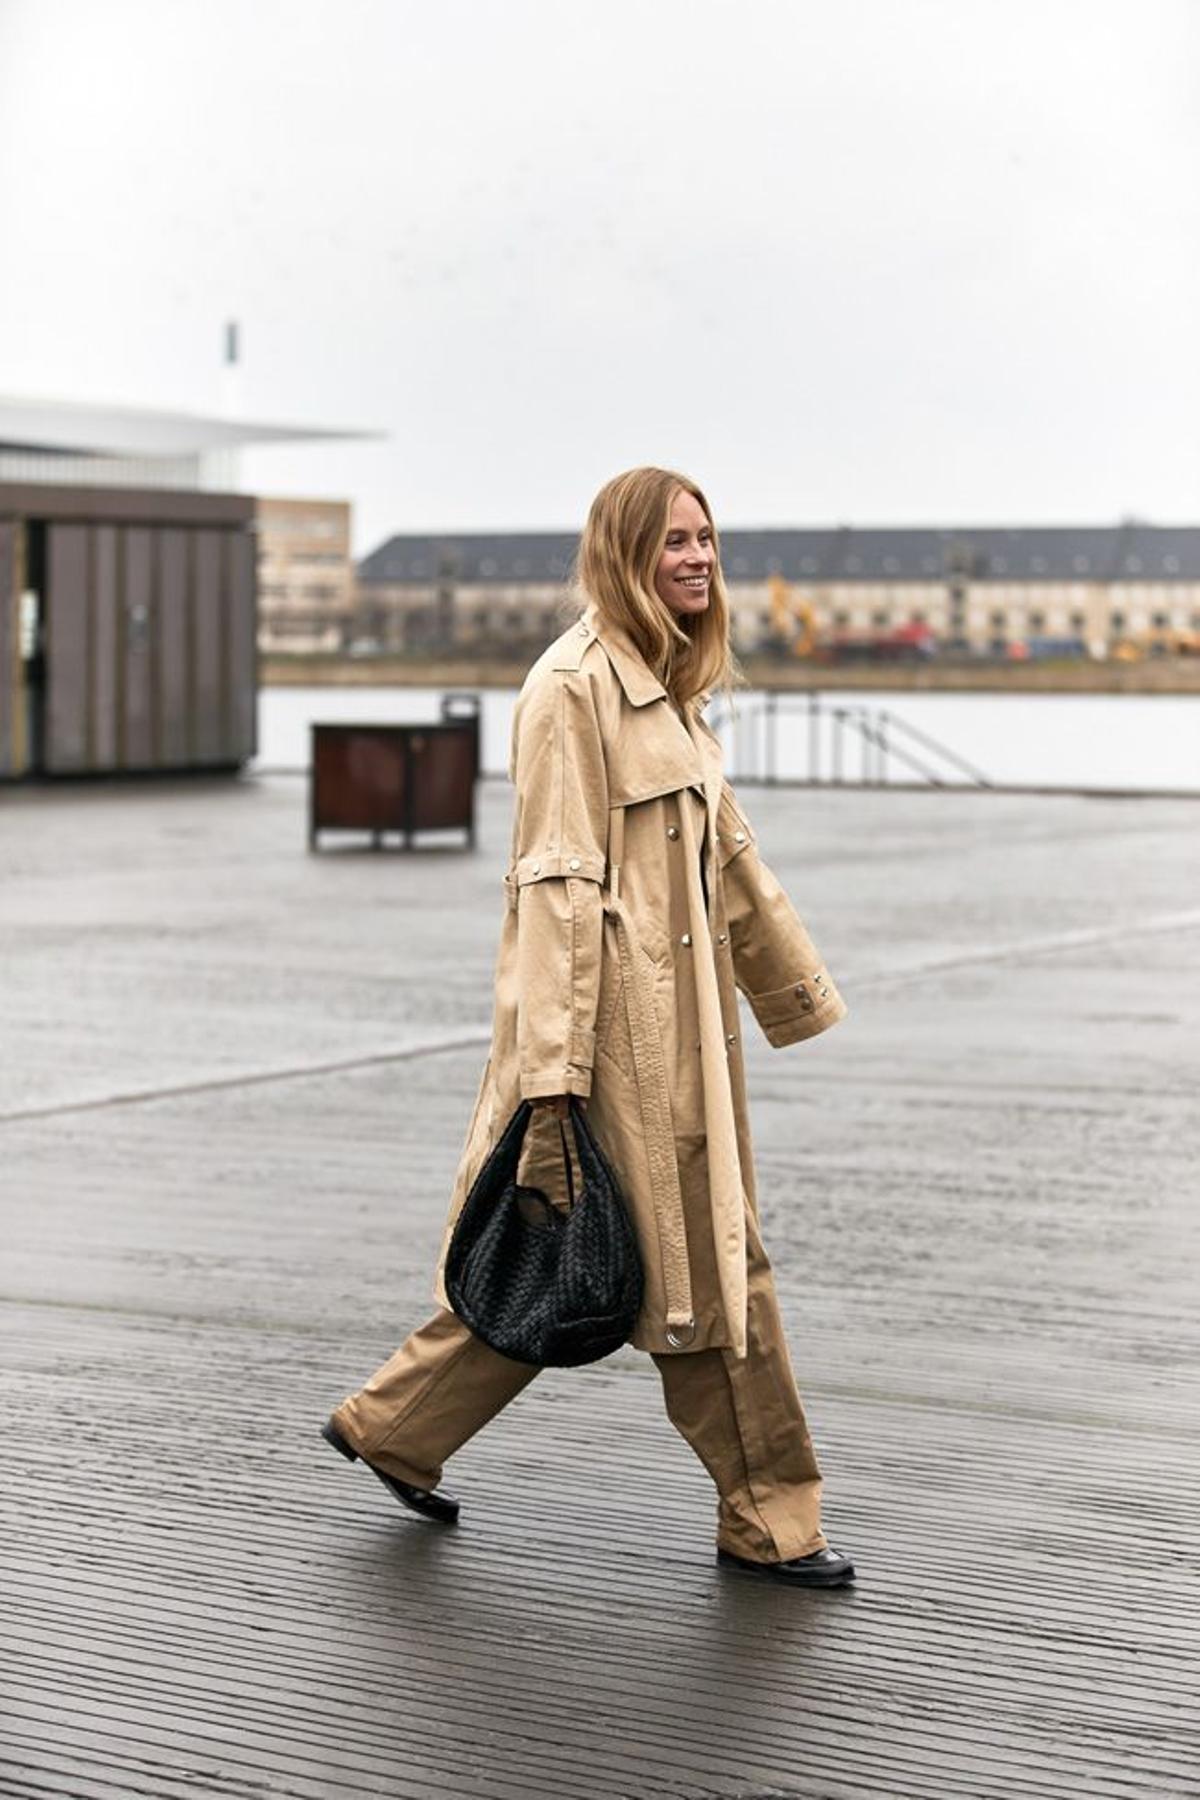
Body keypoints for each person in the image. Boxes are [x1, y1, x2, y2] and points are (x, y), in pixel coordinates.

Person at [322, 467, 855, 1587]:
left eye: (708, 539)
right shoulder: (571, 690)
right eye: (673, 541)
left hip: (682, 1034)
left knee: (567, 1254)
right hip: (618, 1044)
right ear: (623, 552)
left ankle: (394, 1426)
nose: (698, 558)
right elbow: (555, 890)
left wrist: (792, 991)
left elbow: (731, 859)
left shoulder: (668, 688)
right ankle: (768, 1518)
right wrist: (554, 1082)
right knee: (708, 1277)